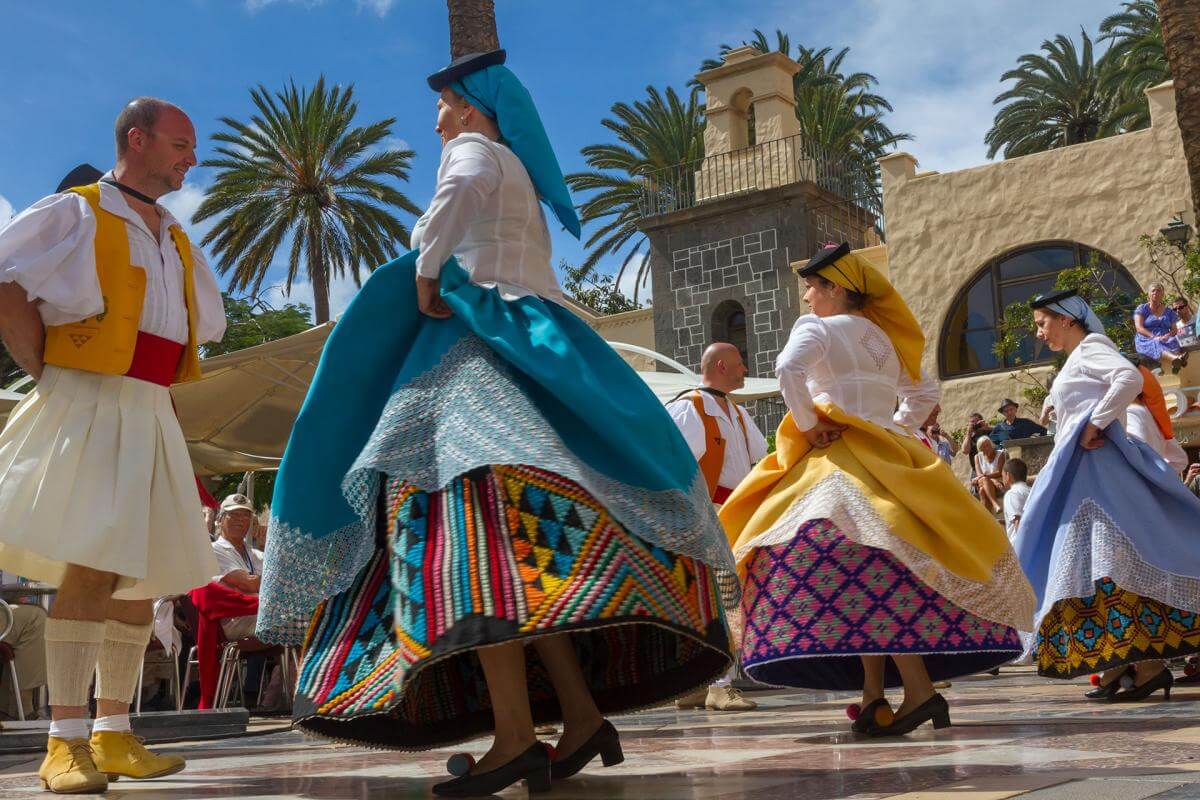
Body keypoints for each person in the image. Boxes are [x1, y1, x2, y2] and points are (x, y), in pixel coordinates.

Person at [258, 50, 734, 797]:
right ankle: (578, 716)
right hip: (525, 350)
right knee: (514, 561)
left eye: (446, 104)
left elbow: (459, 190)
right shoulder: (522, 178)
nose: (439, 118)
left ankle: (515, 737)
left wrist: (423, 275)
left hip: (470, 356)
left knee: (466, 549)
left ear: (473, 108)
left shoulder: (474, 151)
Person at [0, 98, 226, 793]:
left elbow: (202, 327)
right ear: (139, 139)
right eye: (182, 143)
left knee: (148, 579)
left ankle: (114, 733)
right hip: (93, 397)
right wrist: (46, 372)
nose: (193, 157)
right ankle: (62, 743)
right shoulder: (74, 210)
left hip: (151, 406)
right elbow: (5, 280)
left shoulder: (177, 236)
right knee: (94, 568)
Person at [721, 242, 1033, 738]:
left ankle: (916, 689)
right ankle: (874, 693)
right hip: (889, 459)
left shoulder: (818, 329)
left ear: (835, 288)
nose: (805, 298)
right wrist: (894, 429)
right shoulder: (886, 341)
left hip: (838, 458)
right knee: (876, 568)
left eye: (812, 287)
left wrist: (810, 424)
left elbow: (787, 370)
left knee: (830, 564)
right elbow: (926, 394)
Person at [1014, 289, 1200, 703]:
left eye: (1043, 323)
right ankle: (1121, 664)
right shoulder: (1076, 359)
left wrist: (1094, 424)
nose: (1039, 333)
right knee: (1102, 569)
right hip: (1086, 480)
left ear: (1066, 319)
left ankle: (1146, 666)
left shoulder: (1091, 348)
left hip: (1100, 478)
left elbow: (1129, 377)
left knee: (1113, 564)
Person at [667, 342, 767, 712]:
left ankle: (698, 685)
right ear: (722, 366)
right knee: (722, 601)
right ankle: (718, 686)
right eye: (740, 363)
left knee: (717, 601)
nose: (745, 370)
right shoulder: (689, 408)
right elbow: (671, 465)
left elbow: (762, 458)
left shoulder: (738, 413)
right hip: (705, 517)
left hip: (734, 514)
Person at [211, 494, 263, 640]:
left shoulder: (254, 554)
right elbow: (249, 584)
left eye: (246, 515)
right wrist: (263, 581)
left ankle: (289, 662)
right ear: (220, 519)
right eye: (233, 514)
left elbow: (280, 579)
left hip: (256, 613)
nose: (240, 519)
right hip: (232, 621)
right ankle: (290, 662)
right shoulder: (214, 549)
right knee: (289, 621)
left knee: (300, 616)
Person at [1125, 365, 1188, 474]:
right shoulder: (1157, 422)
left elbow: (1136, 443)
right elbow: (1181, 460)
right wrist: (1158, 476)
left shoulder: (1131, 412)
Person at [1134, 282, 1185, 370]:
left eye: (1159, 291)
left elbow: (1174, 330)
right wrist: (1154, 336)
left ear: (1162, 294)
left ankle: (1175, 365)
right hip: (1146, 338)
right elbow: (1139, 328)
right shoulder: (1142, 309)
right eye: (1153, 291)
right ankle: (1175, 359)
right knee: (1156, 342)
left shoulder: (1169, 312)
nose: (1156, 293)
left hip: (1165, 337)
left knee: (1173, 340)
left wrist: (1167, 335)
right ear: (1149, 294)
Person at [973, 436, 1007, 514]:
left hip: (998, 482)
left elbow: (999, 472)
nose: (986, 448)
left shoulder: (1000, 454)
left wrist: (991, 479)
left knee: (982, 490)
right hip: (986, 481)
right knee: (983, 482)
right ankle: (995, 505)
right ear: (980, 449)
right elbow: (979, 475)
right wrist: (992, 480)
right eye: (983, 447)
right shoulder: (977, 457)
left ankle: (985, 517)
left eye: (988, 445)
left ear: (991, 445)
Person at [1001, 459, 1030, 543]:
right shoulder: (1032, 490)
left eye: (1002, 476)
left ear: (1008, 475)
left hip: (1019, 547)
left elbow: (1019, 522)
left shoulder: (1011, 494)